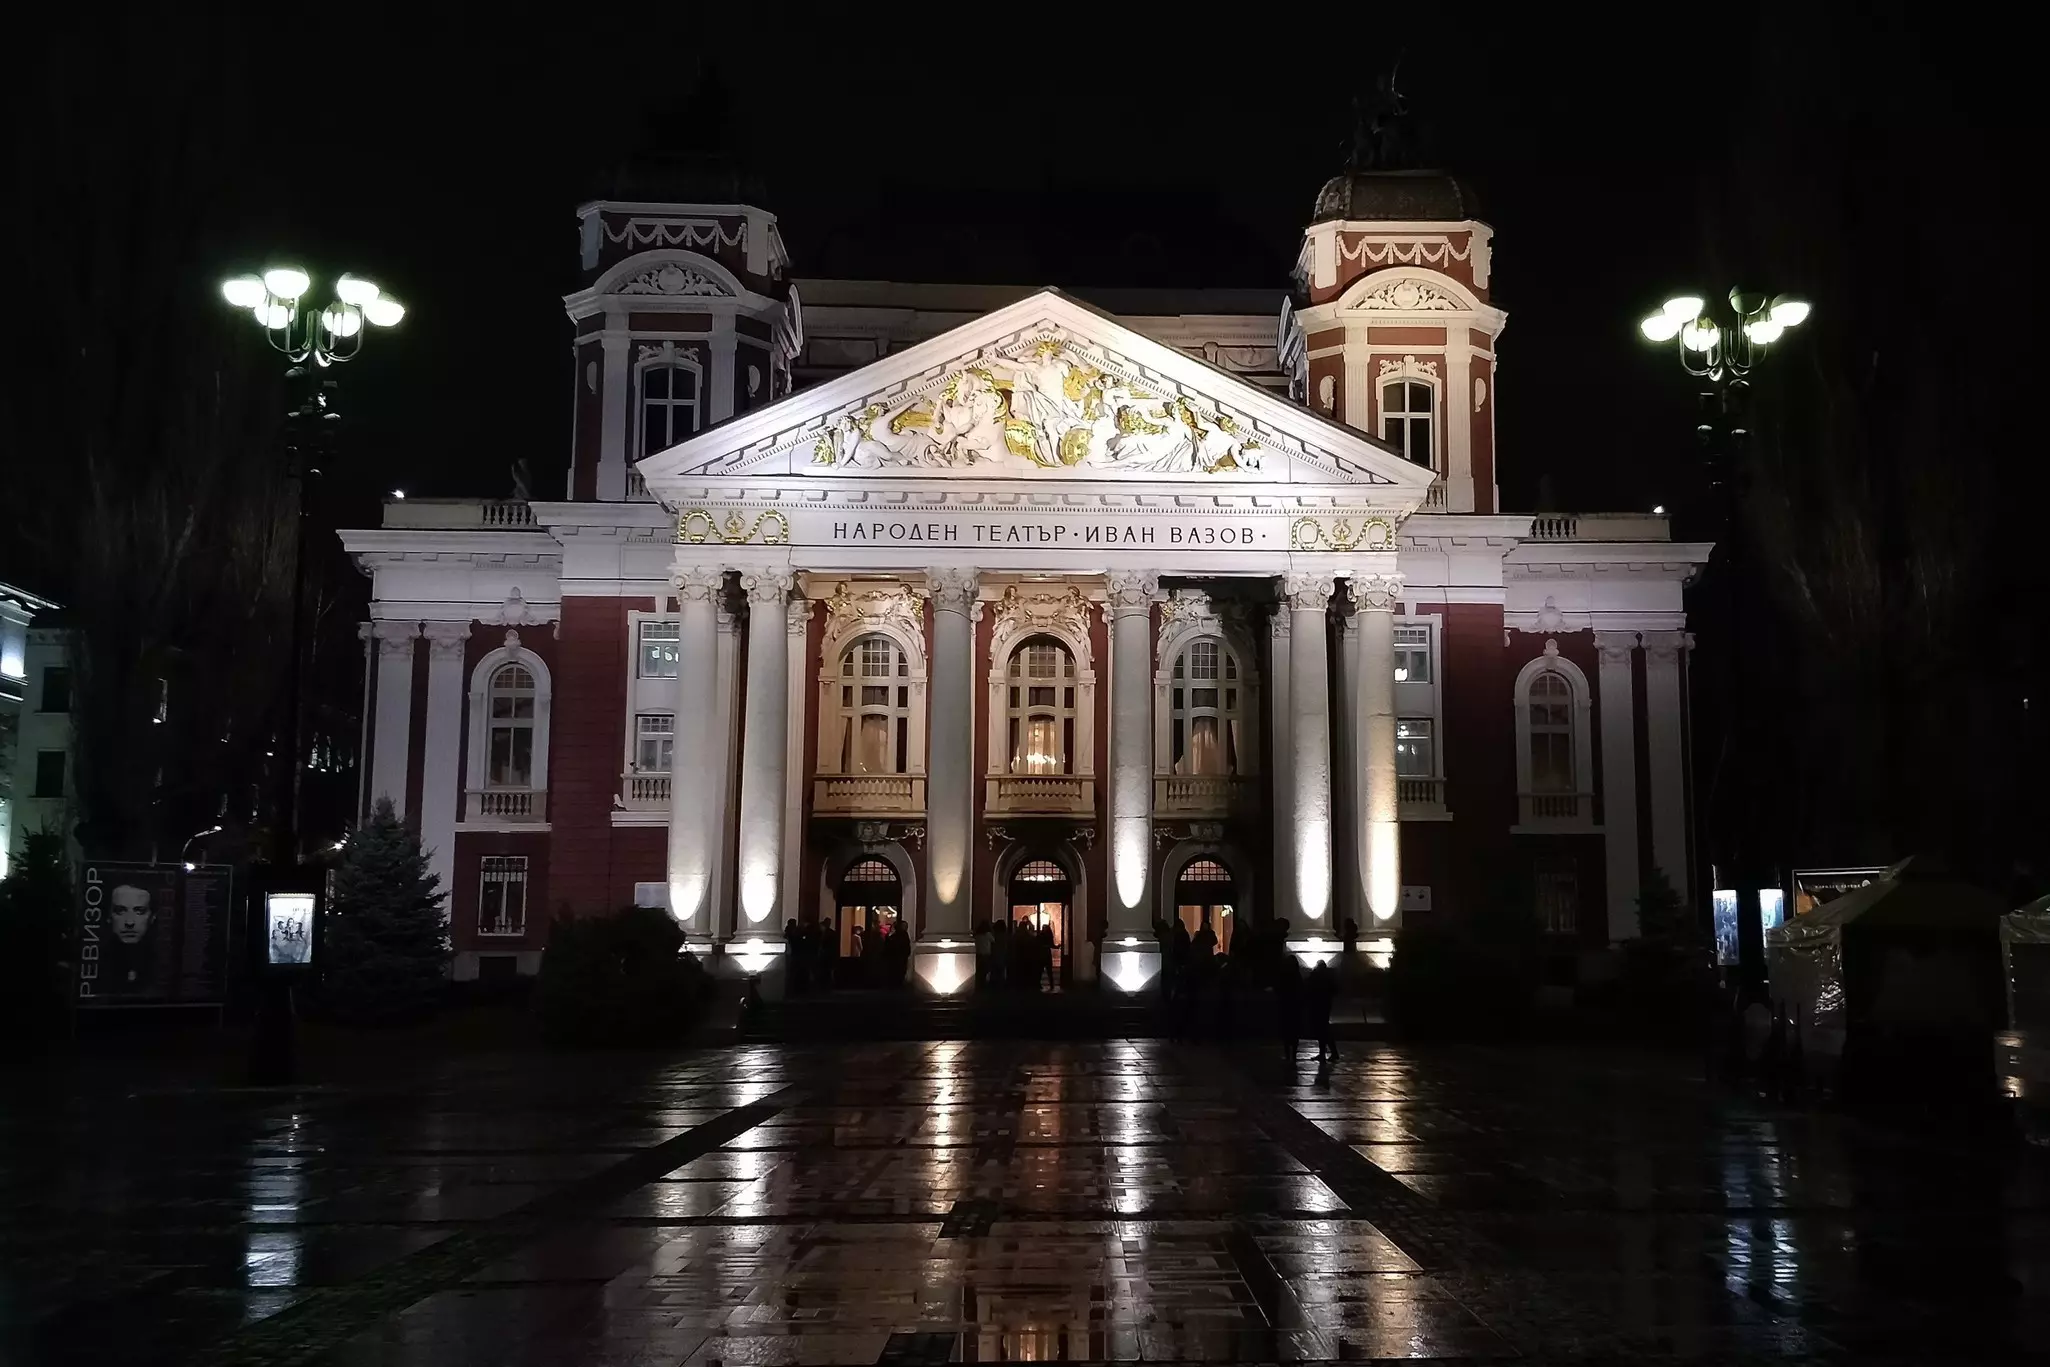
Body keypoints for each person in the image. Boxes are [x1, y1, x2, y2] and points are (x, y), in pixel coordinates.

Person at [1305, 960, 1338, 1062]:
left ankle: (1329, 1053)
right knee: (1324, 1030)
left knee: (1322, 1031)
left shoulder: (1317, 977)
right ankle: (1328, 1053)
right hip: (1325, 1006)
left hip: (1319, 1006)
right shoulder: (1328, 978)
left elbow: (1309, 986)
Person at [1275, 950, 1303, 1062]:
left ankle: (1288, 1055)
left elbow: (1280, 989)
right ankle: (1294, 1055)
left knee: (1286, 1033)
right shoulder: (1297, 976)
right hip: (1295, 1008)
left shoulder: (1284, 976)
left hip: (1286, 1007)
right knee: (1294, 1033)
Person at [887, 917, 911, 988]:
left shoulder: (900, 935)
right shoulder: (900, 935)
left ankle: (897, 984)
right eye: (904, 926)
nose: (906, 928)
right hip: (898, 957)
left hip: (900, 957)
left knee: (900, 971)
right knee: (898, 971)